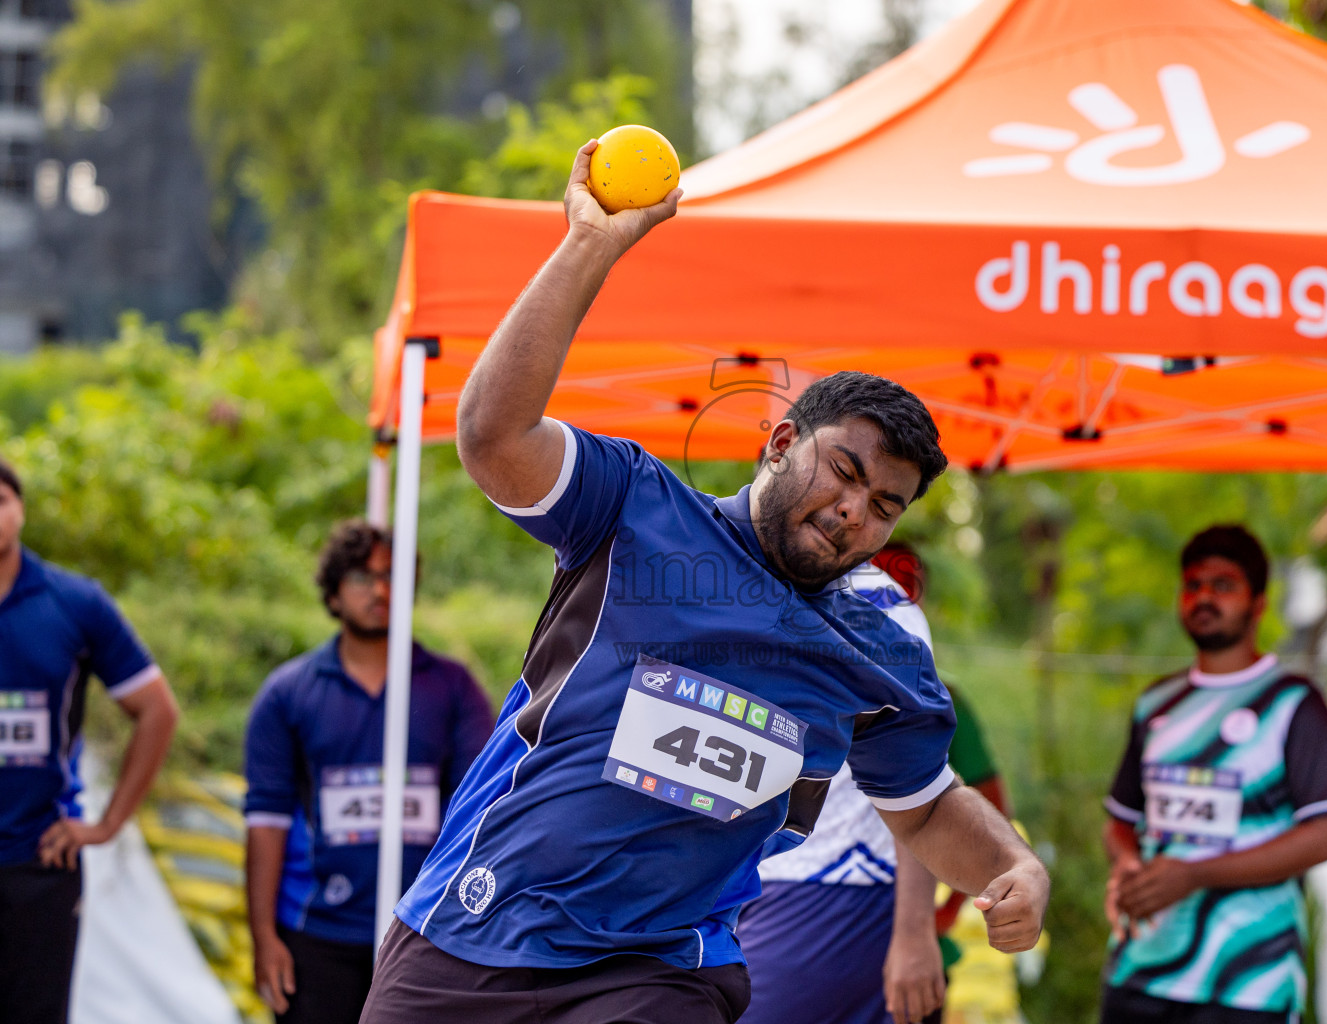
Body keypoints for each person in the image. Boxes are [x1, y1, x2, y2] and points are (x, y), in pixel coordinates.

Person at [358, 141, 1049, 1024]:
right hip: (474, 930)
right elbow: (494, 437)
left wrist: (1015, 867)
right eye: (842, 471)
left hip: (656, 974)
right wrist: (589, 246)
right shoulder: (635, 507)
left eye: (884, 505)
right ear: (778, 442)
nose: (852, 512)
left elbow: (921, 807)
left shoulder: (875, 650)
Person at [737, 544, 1010, 1024]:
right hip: (748, 888)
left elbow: (926, 789)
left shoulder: (882, 615)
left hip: (838, 894)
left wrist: (924, 926)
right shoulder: (739, 579)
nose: (902, 587)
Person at [244, 520, 494, 1023]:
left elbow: (484, 814)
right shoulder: (287, 693)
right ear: (333, 594)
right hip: (316, 934)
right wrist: (263, 937)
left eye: (392, 576)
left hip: (425, 931)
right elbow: (265, 822)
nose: (380, 590)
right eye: (361, 577)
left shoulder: (453, 687)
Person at [1100, 525, 1327, 1024]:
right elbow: (1120, 821)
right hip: (1142, 966)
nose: (1204, 597)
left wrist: (1195, 874)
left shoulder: (1295, 703)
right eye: (1193, 585)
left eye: (1223, 585)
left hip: (1250, 982)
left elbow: (1326, 836)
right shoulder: (1156, 703)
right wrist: (1127, 864)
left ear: (1258, 603)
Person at [0, 456, 181, 1023]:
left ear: (20, 510)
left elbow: (157, 711)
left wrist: (105, 824)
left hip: (38, 862)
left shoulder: (73, 602)